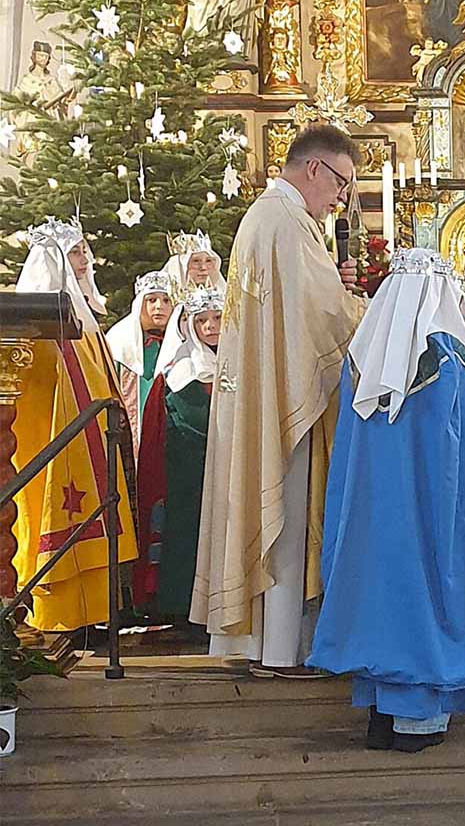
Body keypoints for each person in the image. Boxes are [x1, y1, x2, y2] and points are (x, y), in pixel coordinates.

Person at [309, 248, 465, 752]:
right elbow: (453, 447)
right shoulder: (444, 359)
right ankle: (416, 724)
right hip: (433, 510)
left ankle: (380, 717)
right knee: (428, 600)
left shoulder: (367, 357)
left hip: (374, 514)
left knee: (381, 600)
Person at [190, 124, 366, 676]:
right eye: (340, 183)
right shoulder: (287, 222)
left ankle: (261, 642)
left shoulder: (272, 217)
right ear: (313, 169)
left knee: (278, 509)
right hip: (281, 396)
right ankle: (278, 646)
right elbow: (326, 316)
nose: (340, 197)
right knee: (285, 512)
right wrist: (376, 315)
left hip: (264, 388)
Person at [13, 217, 138, 632]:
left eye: (85, 251)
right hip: (51, 448)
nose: (84, 261)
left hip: (92, 442)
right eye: (74, 253)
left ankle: (93, 616)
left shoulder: (85, 319)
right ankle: (57, 615)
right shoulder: (38, 327)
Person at [134, 286, 223, 626]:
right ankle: (183, 609)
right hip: (187, 477)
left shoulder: (243, 366)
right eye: (202, 321)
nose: (211, 327)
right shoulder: (176, 374)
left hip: (228, 475)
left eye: (217, 319)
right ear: (189, 326)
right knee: (188, 539)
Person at [105, 270, 175, 452]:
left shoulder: (182, 341)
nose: (159, 306)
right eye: (151, 300)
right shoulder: (119, 340)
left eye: (166, 300)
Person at [155, 230, 226, 382]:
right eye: (196, 261)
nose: (203, 267)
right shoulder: (161, 301)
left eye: (208, 261)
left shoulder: (224, 296)